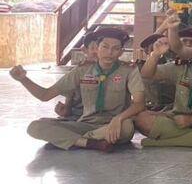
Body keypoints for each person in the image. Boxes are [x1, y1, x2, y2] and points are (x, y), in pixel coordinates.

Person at [13, 28, 145, 152]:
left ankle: (73, 140)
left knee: (127, 128)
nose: (109, 52)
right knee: (35, 126)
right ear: (96, 48)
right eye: (105, 47)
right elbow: (45, 95)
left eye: (115, 49)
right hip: (84, 124)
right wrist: (23, 80)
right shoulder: (82, 70)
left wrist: (118, 119)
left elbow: (139, 103)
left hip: (114, 125)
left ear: (121, 52)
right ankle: (90, 142)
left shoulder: (129, 71)